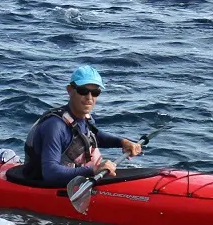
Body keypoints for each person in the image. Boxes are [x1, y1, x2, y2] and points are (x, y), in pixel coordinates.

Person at [8, 66, 143, 187]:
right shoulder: (54, 127)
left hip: (77, 178)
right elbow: (50, 173)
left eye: (95, 92)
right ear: (70, 90)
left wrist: (122, 142)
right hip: (45, 184)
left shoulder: (84, 118)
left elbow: (93, 136)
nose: (89, 97)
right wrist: (93, 170)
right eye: (83, 91)